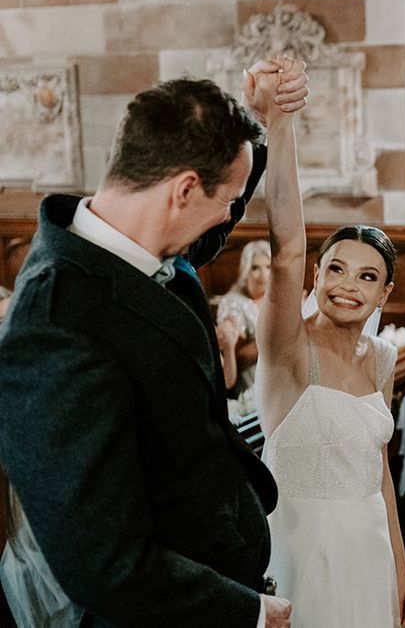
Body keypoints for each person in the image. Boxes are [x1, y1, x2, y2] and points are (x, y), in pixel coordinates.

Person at [0, 58, 308, 627]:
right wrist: (247, 614)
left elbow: (210, 211)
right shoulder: (53, 327)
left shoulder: (137, 241)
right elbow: (104, 563)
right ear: (184, 189)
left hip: (221, 557)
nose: (229, 220)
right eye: (227, 202)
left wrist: (264, 119)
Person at [253, 55, 405, 628]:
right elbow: (285, 249)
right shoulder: (288, 350)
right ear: (317, 275)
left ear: (385, 295)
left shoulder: (383, 358)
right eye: (336, 270)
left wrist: (401, 566)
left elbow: (378, 472)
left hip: (368, 550)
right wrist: (280, 124)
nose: (348, 286)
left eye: (367, 277)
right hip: (302, 553)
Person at [217, 240, 272, 421]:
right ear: (245, 271)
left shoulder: (280, 301)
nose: (262, 274)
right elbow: (237, 358)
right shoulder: (233, 302)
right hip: (251, 389)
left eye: (268, 267)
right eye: (255, 267)